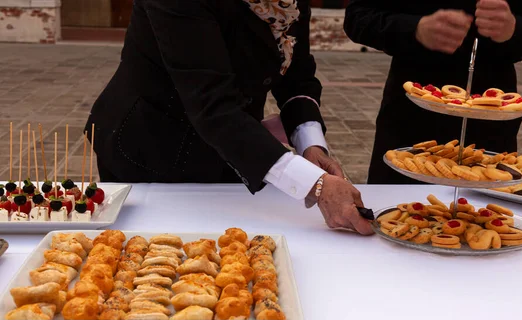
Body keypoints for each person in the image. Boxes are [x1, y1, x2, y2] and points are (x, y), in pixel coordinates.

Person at [85, 0, 372, 235]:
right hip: (150, 145)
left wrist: (311, 145)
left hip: (233, 146)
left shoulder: (286, 2)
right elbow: (211, 103)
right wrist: (314, 185)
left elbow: (296, 75)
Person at [344, 0, 522, 184]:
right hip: (408, 116)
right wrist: (414, 29)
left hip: (492, 120)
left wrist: (517, 29)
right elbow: (358, 17)